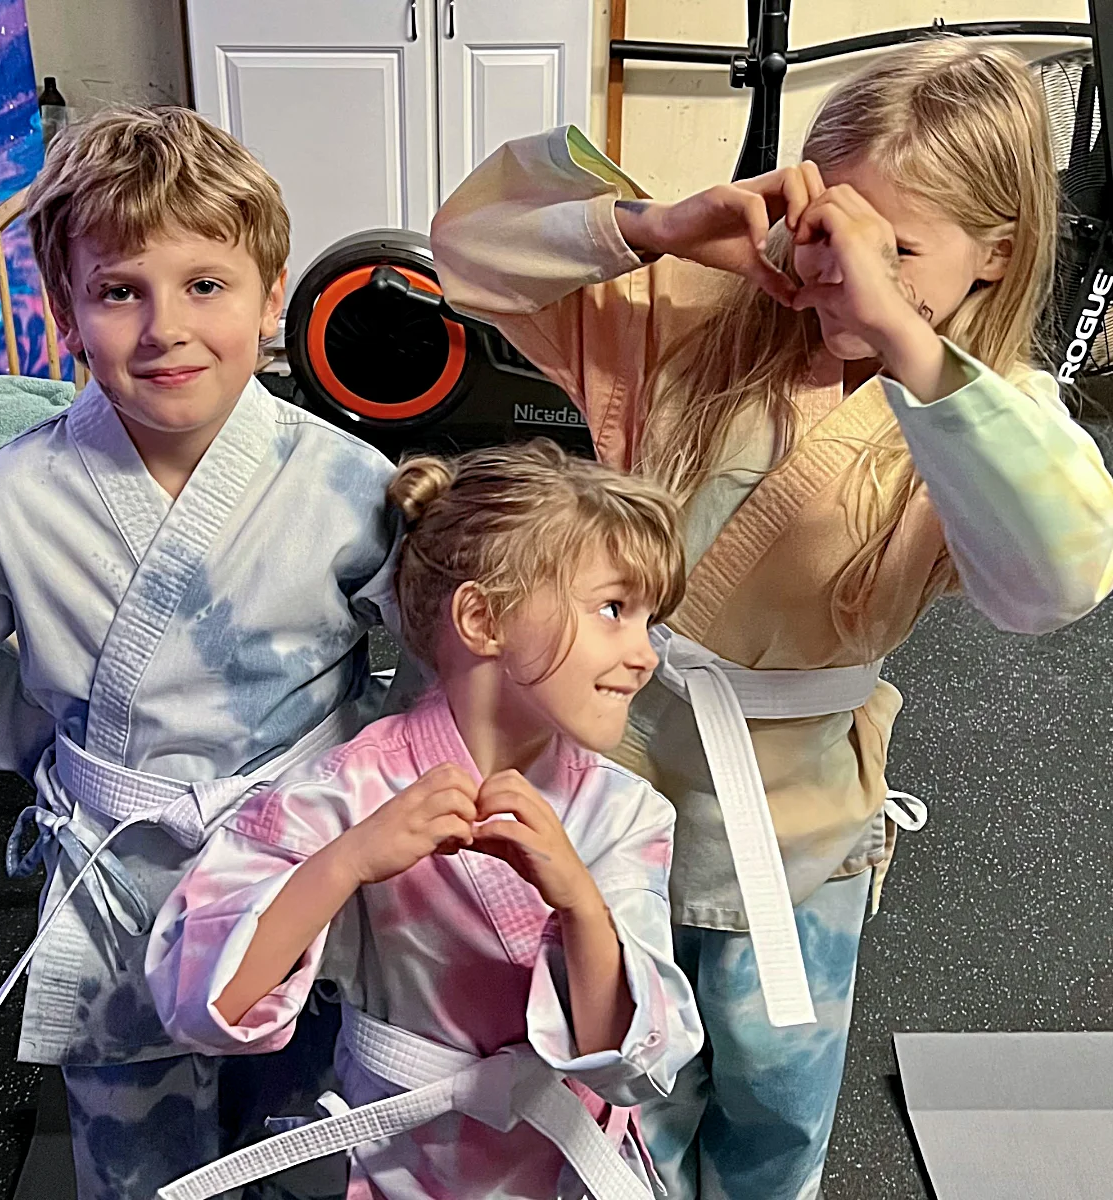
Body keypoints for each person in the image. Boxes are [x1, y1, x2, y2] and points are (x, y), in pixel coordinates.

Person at [429, 37, 1113, 1200]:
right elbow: (466, 254)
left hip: (795, 821)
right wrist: (659, 225)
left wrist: (906, 340)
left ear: (995, 258)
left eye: (899, 253)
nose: (844, 273)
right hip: (608, 771)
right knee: (592, 1080)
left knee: (771, 1103)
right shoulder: (696, 310)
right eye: (830, 229)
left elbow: (1052, 584)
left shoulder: (988, 413)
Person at [0, 106, 398, 1198]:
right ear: (68, 312)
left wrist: (366, 788)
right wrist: (71, 751)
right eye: (121, 289)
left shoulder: (348, 481)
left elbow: (425, 674)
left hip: (295, 865)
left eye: (206, 286)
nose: (165, 327)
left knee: (302, 1135)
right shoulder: (9, 504)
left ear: (272, 297)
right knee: (138, 1163)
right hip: (120, 873)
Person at [146, 440, 705, 1200]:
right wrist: (344, 864)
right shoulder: (348, 793)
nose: (644, 657)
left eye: (648, 621)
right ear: (482, 618)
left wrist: (580, 904)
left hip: (565, 1162)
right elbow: (204, 1003)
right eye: (613, 609)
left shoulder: (626, 811)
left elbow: (631, 1060)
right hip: (400, 1160)